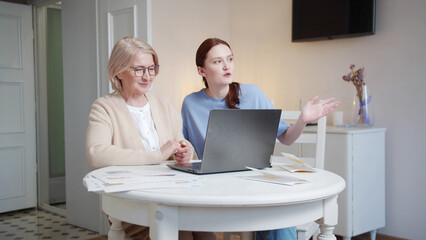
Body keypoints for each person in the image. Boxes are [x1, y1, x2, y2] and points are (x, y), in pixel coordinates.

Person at [181, 38, 339, 240]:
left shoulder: (252, 94)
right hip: (214, 188)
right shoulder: (191, 104)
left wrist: (302, 120)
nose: (227, 65)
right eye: (218, 61)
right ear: (201, 70)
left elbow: (286, 139)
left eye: (229, 59)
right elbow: (183, 148)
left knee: (279, 217)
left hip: (256, 182)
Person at [86, 36, 215, 240]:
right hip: (135, 201)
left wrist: (185, 151)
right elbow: (97, 154)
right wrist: (157, 155)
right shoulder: (104, 107)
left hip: (172, 193)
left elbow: (178, 139)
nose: (147, 76)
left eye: (152, 68)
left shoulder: (161, 100)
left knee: (207, 232)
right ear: (118, 71)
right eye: (138, 69)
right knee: (182, 235)